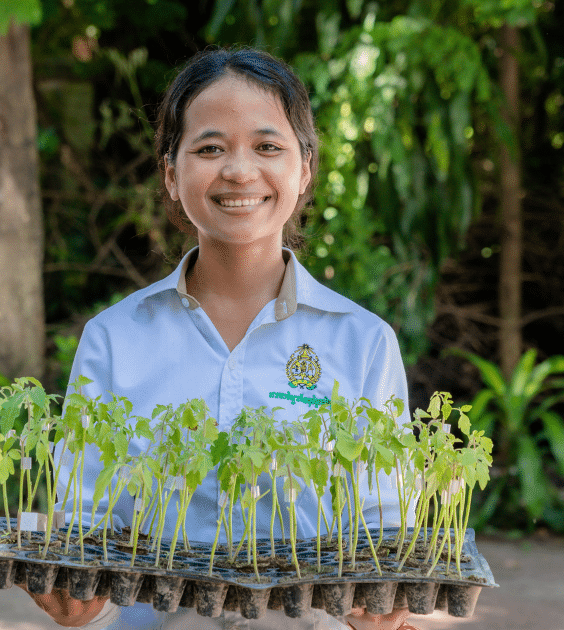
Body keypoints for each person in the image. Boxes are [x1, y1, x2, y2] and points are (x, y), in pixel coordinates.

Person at [22, 47, 416, 630]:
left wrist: (381, 607)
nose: (238, 171)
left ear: (305, 168)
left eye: (267, 146)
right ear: (170, 174)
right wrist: (82, 607)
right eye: (209, 148)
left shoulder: (363, 343)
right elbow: (82, 521)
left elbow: (387, 530)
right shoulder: (114, 338)